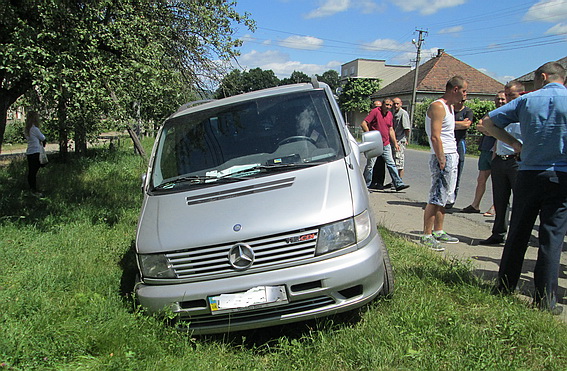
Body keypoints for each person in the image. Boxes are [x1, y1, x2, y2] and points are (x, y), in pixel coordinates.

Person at [482, 61, 567, 315]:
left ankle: (505, 286)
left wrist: (516, 144)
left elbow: (488, 123)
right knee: (552, 237)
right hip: (562, 175)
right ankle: (545, 300)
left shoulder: (527, 100)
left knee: (518, 230)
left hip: (529, 172)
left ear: (543, 77)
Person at [421, 76, 468, 251]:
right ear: (455, 89)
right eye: (463, 91)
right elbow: (435, 135)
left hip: (451, 153)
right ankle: (426, 234)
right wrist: (441, 158)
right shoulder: (438, 106)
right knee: (436, 195)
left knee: (445, 195)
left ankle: (438, 230)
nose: (465, 95)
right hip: (443, 155)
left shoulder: (449, 108)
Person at [479, 81, 524, 245]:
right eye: (506, 95)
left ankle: (517, 237)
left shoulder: (524, 114)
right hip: (500, 160)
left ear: (521, 95)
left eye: (511, 95)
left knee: (521, 201)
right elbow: (483, 125)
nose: (507, 99)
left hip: (517, 161)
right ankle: (498, 233)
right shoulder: (501, 114)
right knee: (500, 199)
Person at [461, 92, 505, 214]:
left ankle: (495, 206)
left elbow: (502, 132)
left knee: (497, 181)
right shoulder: (491, 114)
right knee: (481, 179)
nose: (500, 101)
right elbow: (479, 125)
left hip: (498, 151)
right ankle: (475, 205)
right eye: (497, 99)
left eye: (502, 99)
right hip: (486, 149)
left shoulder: (508, 114)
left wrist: (490, 130)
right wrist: (492, 130)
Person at [361, 99, 409, 192]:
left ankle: (398, 183)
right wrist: (370, 136)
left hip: (386, 143)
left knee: (391, 163)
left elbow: (391, 129)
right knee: (370, 165)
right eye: (387, 105)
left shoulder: (390, 114)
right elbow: (364, 124)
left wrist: (395, 143)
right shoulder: (375, 112)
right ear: (382, 104)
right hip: (375, 143)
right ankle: (365, 185)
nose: (388, 107)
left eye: (390, 105)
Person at [445, 98, 473, 209]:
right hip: (447, 142)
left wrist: (449, 124)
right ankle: (442, 196)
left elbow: (466, 125)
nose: (461, 102)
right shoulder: (449, 110)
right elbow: (441, 123)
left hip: (459, 143)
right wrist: (457, 124)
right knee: (445, 170)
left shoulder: (468, 112)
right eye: (459, 100)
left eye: (463, 100)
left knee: (457, 171)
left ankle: (451, 199)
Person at [24, 111, 46, 197]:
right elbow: (43, 137)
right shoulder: (35, 129)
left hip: (29, 151)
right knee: (34, 171)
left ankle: (32, 188)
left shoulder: (27, 129)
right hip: (36, 152)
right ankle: (34, 190)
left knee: (31, 171)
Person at [392, 97, 411, 178]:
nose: (396, 105)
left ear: (401, 104)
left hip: (400, 140)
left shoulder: (403, 113)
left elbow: (407, 128)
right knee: (394, 161)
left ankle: (399, 180)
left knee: (399, 162)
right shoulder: (393, 113)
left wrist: (406, 139)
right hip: (394, 140)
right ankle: (395, 181)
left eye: (397, 103)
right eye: (394, 104)